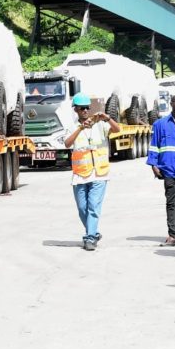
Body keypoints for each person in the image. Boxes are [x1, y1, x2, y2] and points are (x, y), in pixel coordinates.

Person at [64, 93, 120, 251]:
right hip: (80, 174)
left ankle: (89, 238)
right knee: (82, 208)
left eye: (87, 108)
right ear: (75, 109)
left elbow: (117, 129)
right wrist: (80, 128)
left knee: (93, 206)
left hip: (99, 173)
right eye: (82, 108)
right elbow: (67, 143)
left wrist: (106, 117)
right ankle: (93, 232)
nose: (85, 111)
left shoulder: (100, 124)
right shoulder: (71, 125)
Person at [146, 94, 175, 246]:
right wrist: (153, 164)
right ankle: (172, 235)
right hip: (168, 170)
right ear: (171, 103)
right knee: (170, 203)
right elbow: (154, 145)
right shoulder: (160, 124)